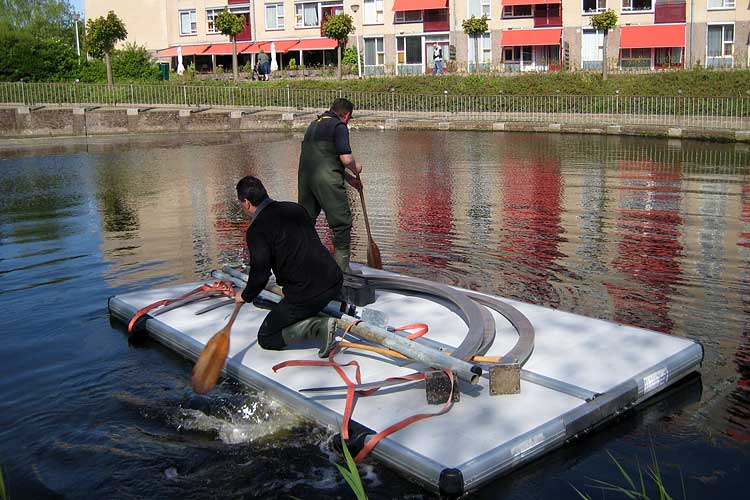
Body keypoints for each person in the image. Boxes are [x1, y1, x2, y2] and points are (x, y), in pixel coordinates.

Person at [235, 176, 343, 357]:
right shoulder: (295, 208)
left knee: (267, 337)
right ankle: (312, 314)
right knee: (297, 304)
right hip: (334, 279)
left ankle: (319, 327)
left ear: (246, 202)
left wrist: (245, 295)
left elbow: (260, 275)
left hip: (306, 292)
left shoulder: (257, 230)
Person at [298, 98, 362, 273]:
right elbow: (345, 159)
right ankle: (342, 268)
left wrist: (349, 179)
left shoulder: (313, 125)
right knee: (342, 223)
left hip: (306, 180)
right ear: (347, 115)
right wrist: (356, 168)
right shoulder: (338, 126)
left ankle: (300, 264)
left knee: (305, 221)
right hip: (326, 181)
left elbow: (325, 158)